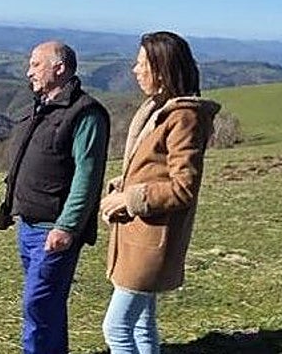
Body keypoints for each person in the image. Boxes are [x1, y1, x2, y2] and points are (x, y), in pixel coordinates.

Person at [99, 31, 220, 354]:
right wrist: (120, 189)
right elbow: (153, 169)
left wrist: (129, 199)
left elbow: (183, 187)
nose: (135, 70)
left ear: (163, 70)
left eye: (143, 64)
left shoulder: (184, 118)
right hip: (141, 235)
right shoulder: (160, 110)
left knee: (116, 328)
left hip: (151, 240)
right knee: (142, 324)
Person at [0, 40, 110, 354]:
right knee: (47, 305)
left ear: (59, 68)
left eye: (35, 64)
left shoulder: (85, 114)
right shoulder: (42, 107)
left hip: (53, 230)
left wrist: (67, 226)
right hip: (28, 226)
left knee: (38, 304)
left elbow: (88, 176)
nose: (28, 72)